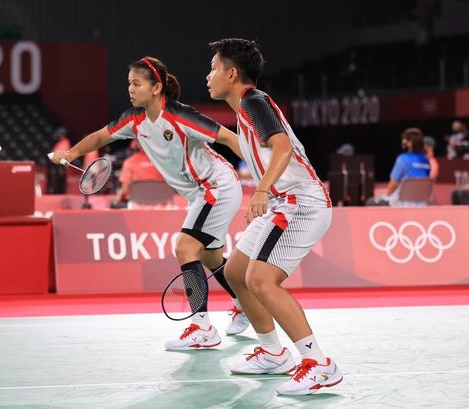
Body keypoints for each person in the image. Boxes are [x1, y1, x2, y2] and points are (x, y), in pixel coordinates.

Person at [49, 56, 250, 346]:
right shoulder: (134, 119)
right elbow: (101, 137)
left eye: (137, 83)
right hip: (199, 193)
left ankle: (202, 328)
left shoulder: (180, 115)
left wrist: (263, 184)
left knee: (185, 247)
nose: (130, 89)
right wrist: (71, 153)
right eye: (129, 83)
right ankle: (243, 305)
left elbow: (230, 138)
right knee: (210, 257)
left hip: (217, 185)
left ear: (156, 88)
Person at [206, 38, 341, 396]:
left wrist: (261, 191)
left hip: (302, 203)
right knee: (236, 273)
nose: (208, 76)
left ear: (232, 73)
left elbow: (281, 147)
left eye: (214, 68)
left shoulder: (253, 101)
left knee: (262, 280)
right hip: (284, 202)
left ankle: (320, 364)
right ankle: (271, 352)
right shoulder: (243, 110)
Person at [114, 140, 167, 207]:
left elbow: (125, 189)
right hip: (163, 205)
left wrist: (117, 199)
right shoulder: (164, 161)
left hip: (137, 205)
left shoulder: (129, 162)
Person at [47, 127, 71, 194]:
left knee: (61, 177)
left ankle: (61, 192)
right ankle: (52, 191)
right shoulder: (58, 143)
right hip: (54, 164)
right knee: (53, 176)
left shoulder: (65, 142)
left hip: (61, 164)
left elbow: (64, 154)